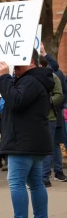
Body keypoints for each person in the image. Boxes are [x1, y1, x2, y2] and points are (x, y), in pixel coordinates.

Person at [0, 49, 54, 218]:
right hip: (30, 142)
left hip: (23, 143)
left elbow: (16, 101)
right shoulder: (33, 80)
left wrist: (4, 77)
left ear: (32, 62)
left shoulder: (31, 80)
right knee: (35, 183)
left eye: (19, 60)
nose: (15, 65)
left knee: (16, 182)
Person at [39, 56, 65, 185]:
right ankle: (41, 176)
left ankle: (45, 177)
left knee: (48, 146)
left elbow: (60, 95)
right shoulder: (30, 78)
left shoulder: (53, 77)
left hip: (50, 118)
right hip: (34, 118)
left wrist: (47, 103)